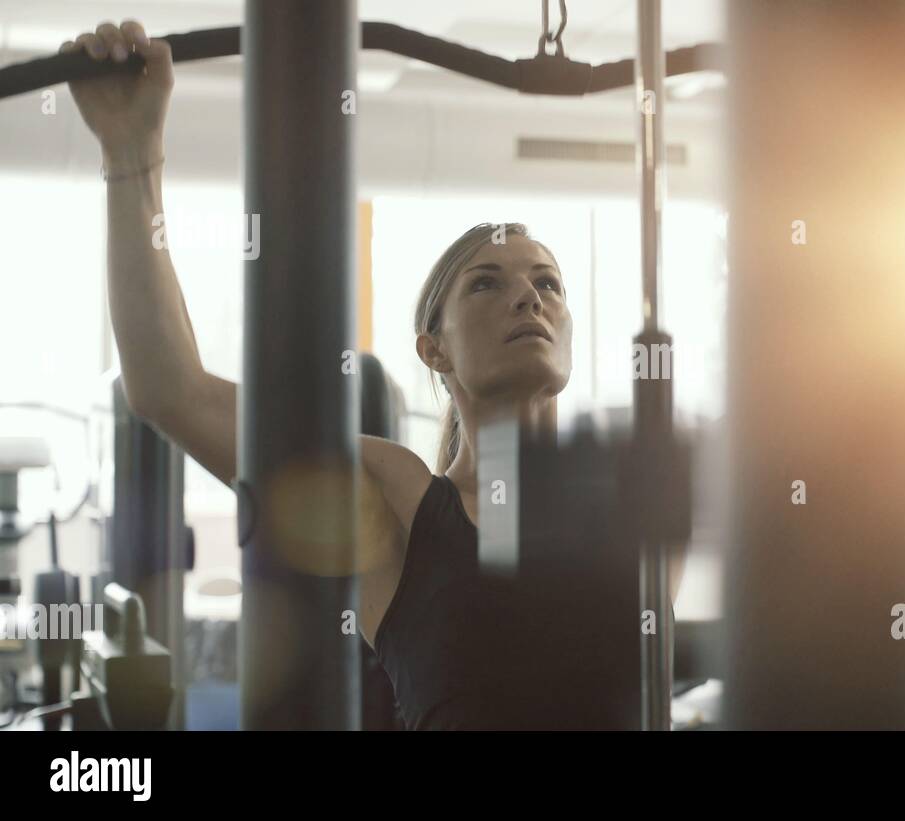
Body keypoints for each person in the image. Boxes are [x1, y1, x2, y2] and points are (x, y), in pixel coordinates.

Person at [63, 19, 685, 729]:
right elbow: (171, 389)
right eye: (487, 283)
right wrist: (131, 150)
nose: (529, 296)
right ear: (434, 350)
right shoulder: (398, 506)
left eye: (549, 282)